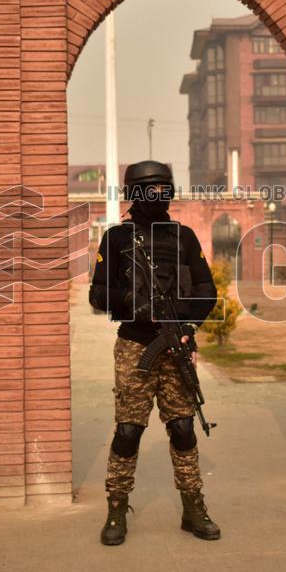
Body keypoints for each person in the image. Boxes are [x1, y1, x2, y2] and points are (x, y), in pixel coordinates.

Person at [88, 160, 220, 546]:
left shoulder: (183, 237)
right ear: (134, 193)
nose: (159, 195)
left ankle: (193, 507)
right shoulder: (116, 238)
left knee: (183, 428)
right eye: (151, 189)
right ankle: (116, 508)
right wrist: (133, 300)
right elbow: (98, 294)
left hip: (176, 345)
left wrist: (188, 329)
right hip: (135, 346)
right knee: (128, 431)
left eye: (164, 188)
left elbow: (206, 291)